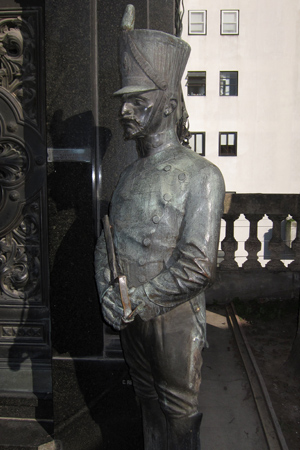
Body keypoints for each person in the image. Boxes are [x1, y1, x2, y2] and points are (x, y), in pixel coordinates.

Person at [95, 5, 225, 449]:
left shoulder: (202, 175)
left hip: (172, 319)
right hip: (134, 316)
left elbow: (198, 266)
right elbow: (107, 239)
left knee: (179, 412)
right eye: (124, 101)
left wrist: (140, 302)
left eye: (139, 101)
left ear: (169, 105)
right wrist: (108, 295)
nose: (126, 110)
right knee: (147, 401)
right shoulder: (129, 175)